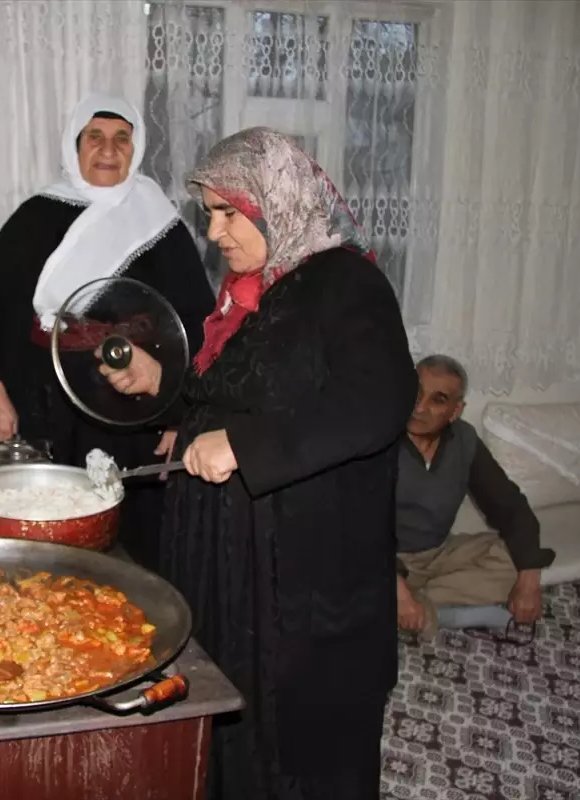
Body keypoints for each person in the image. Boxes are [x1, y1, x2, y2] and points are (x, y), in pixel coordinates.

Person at [148, 128, 417, 799]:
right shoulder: (248, 291)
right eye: (209, 213)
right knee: (230, 712)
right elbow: (227, 389)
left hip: (303, 569)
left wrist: (243, 446)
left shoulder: (346, 282)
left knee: (297, 736)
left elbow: (378, 402)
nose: (214, 232)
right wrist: (170, 399)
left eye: (228, 212)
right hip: (231, 561)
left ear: (277, 201)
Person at [0, 93, 213, 571]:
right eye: (95, 138)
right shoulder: (36, 215)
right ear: (75, 146)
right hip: (41, 403)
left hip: (133, 410)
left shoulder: (157, 222)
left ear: (136, 149)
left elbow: (194, 320)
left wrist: (177, 410)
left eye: (122, 139)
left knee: (131, 544)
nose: (108, 149)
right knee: (46, 538)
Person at [397, 354, 554, 641]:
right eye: (416, 393)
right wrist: (397, 588)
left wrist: (530, 580)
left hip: (438, 553)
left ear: (456, 410)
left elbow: (510, 507)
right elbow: (358, 527)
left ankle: (416, 610)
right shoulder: (379, 438)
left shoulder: (464, 440)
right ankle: (438, 613)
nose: (420, 407)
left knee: (513, 558)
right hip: (378, 560)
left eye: (438, 399)